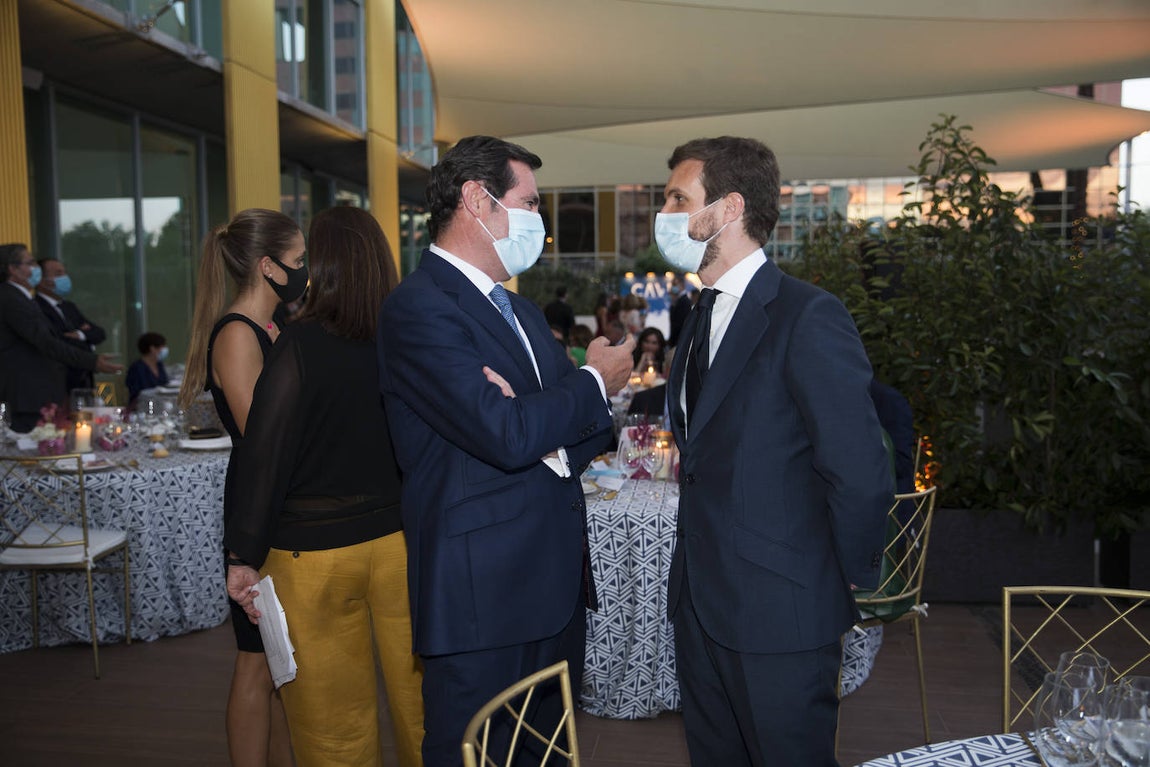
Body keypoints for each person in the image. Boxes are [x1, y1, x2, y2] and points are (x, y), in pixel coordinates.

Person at [376, 135, 635, 767]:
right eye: (530, 203)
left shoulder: (519, 310)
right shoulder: (419, 308)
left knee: (547, 753)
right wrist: (590, 381)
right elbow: (508, 432)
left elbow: (589, 430)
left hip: (553, 588)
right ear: (476, 199)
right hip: (481, 597)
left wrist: (544, 425)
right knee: (475, 752)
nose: (539, 221)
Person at [655, 136, 892, 766]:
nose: (665, 213)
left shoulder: (806, 315)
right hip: (701, 605)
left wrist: (838, 577)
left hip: (781, 610)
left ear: (729, 208)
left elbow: (859, 467)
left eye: (678, 199)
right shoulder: (699, 315)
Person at [224, 206, 424, 767]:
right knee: (424, 711)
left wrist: (242, 556)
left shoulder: (298, 344)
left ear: (325, 266)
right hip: (401, 544)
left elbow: (266, 456)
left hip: (310, 556)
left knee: (335, 733)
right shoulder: (406, 340)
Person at [177, 209, 303, 767]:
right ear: (268, 266)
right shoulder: (236, 334)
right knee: (257, 658)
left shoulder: (275, 326)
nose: (305, 270)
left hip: (282, 502)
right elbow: (264, 437)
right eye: (299, 260)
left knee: (280, 661)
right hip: (258, 508)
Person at [0, 243, 120, 432]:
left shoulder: (21, 298)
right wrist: (92, 361)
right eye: (30, 263)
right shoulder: (10, 298)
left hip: (38, 396)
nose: (36, 268)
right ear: (13, 269)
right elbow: (45, 342)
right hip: (26, 397)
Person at [35, 257, 107, 392]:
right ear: (41, 280)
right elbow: (57, 341)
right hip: (57, 383)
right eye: (58, 274)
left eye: (64, 272)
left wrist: (80, 335)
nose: (64, 277)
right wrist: (86, 339)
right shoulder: (35, 307)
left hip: (83, 381)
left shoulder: (69, 307)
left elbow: (99, 333)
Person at [125, 332, 170, 409]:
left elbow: (164, 384)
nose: (164, 349)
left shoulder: (159, 365)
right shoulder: (137, 368)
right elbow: (136, 392)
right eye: (162, 347)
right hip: (142, 406)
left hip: (159, 405)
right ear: (152, 348)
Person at [667, 276, 693, 349]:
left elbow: (680, 323)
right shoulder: (677, 299)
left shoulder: (684, 301)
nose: (673, 287)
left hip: (679, 340)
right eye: (672, 284)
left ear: (682, 285)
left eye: (675, 284)